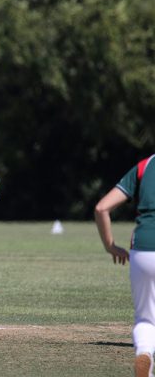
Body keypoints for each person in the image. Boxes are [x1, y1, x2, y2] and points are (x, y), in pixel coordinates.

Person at [95, 154, 155, 377]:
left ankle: (145, 354)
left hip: (143, 249)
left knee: (146, 320)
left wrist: (110, 246)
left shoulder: (145, 165)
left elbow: (102, 208)